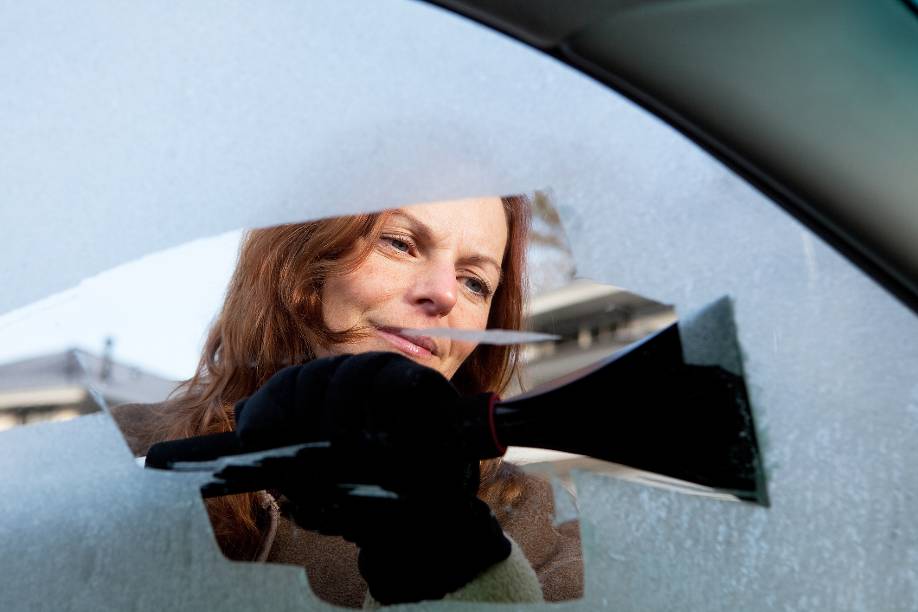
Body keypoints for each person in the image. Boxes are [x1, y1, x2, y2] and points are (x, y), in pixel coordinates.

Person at [112, 196, 583, 607]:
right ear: (302, 266)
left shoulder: (537, 529)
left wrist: (458, 564)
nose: (444, 294)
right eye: (399, 243)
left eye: (475, 282)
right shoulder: (117, 451)